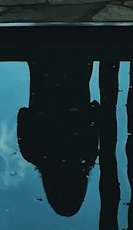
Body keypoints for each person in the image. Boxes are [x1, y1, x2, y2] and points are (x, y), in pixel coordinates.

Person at [17, 60, 100, 217]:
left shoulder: (88, 154)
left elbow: (95, 108)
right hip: (40, 64)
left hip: (80, 64)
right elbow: (23, 114)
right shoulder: (31, 152)